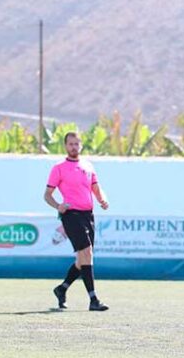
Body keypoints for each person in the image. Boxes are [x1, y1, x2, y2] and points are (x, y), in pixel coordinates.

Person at [44, 132, 110, 311]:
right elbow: (47, 195)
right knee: (87, 253)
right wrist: (58, 206)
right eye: (70, 144)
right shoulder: (58, 168)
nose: (74, 147)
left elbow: (96, 188)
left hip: (88, 215)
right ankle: (93, 299)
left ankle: (62, 288)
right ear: (65, 146)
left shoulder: (88, 166)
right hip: (71, 215)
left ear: (80, 145)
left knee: (83, 259)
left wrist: (102, 199)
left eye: (76, 144)